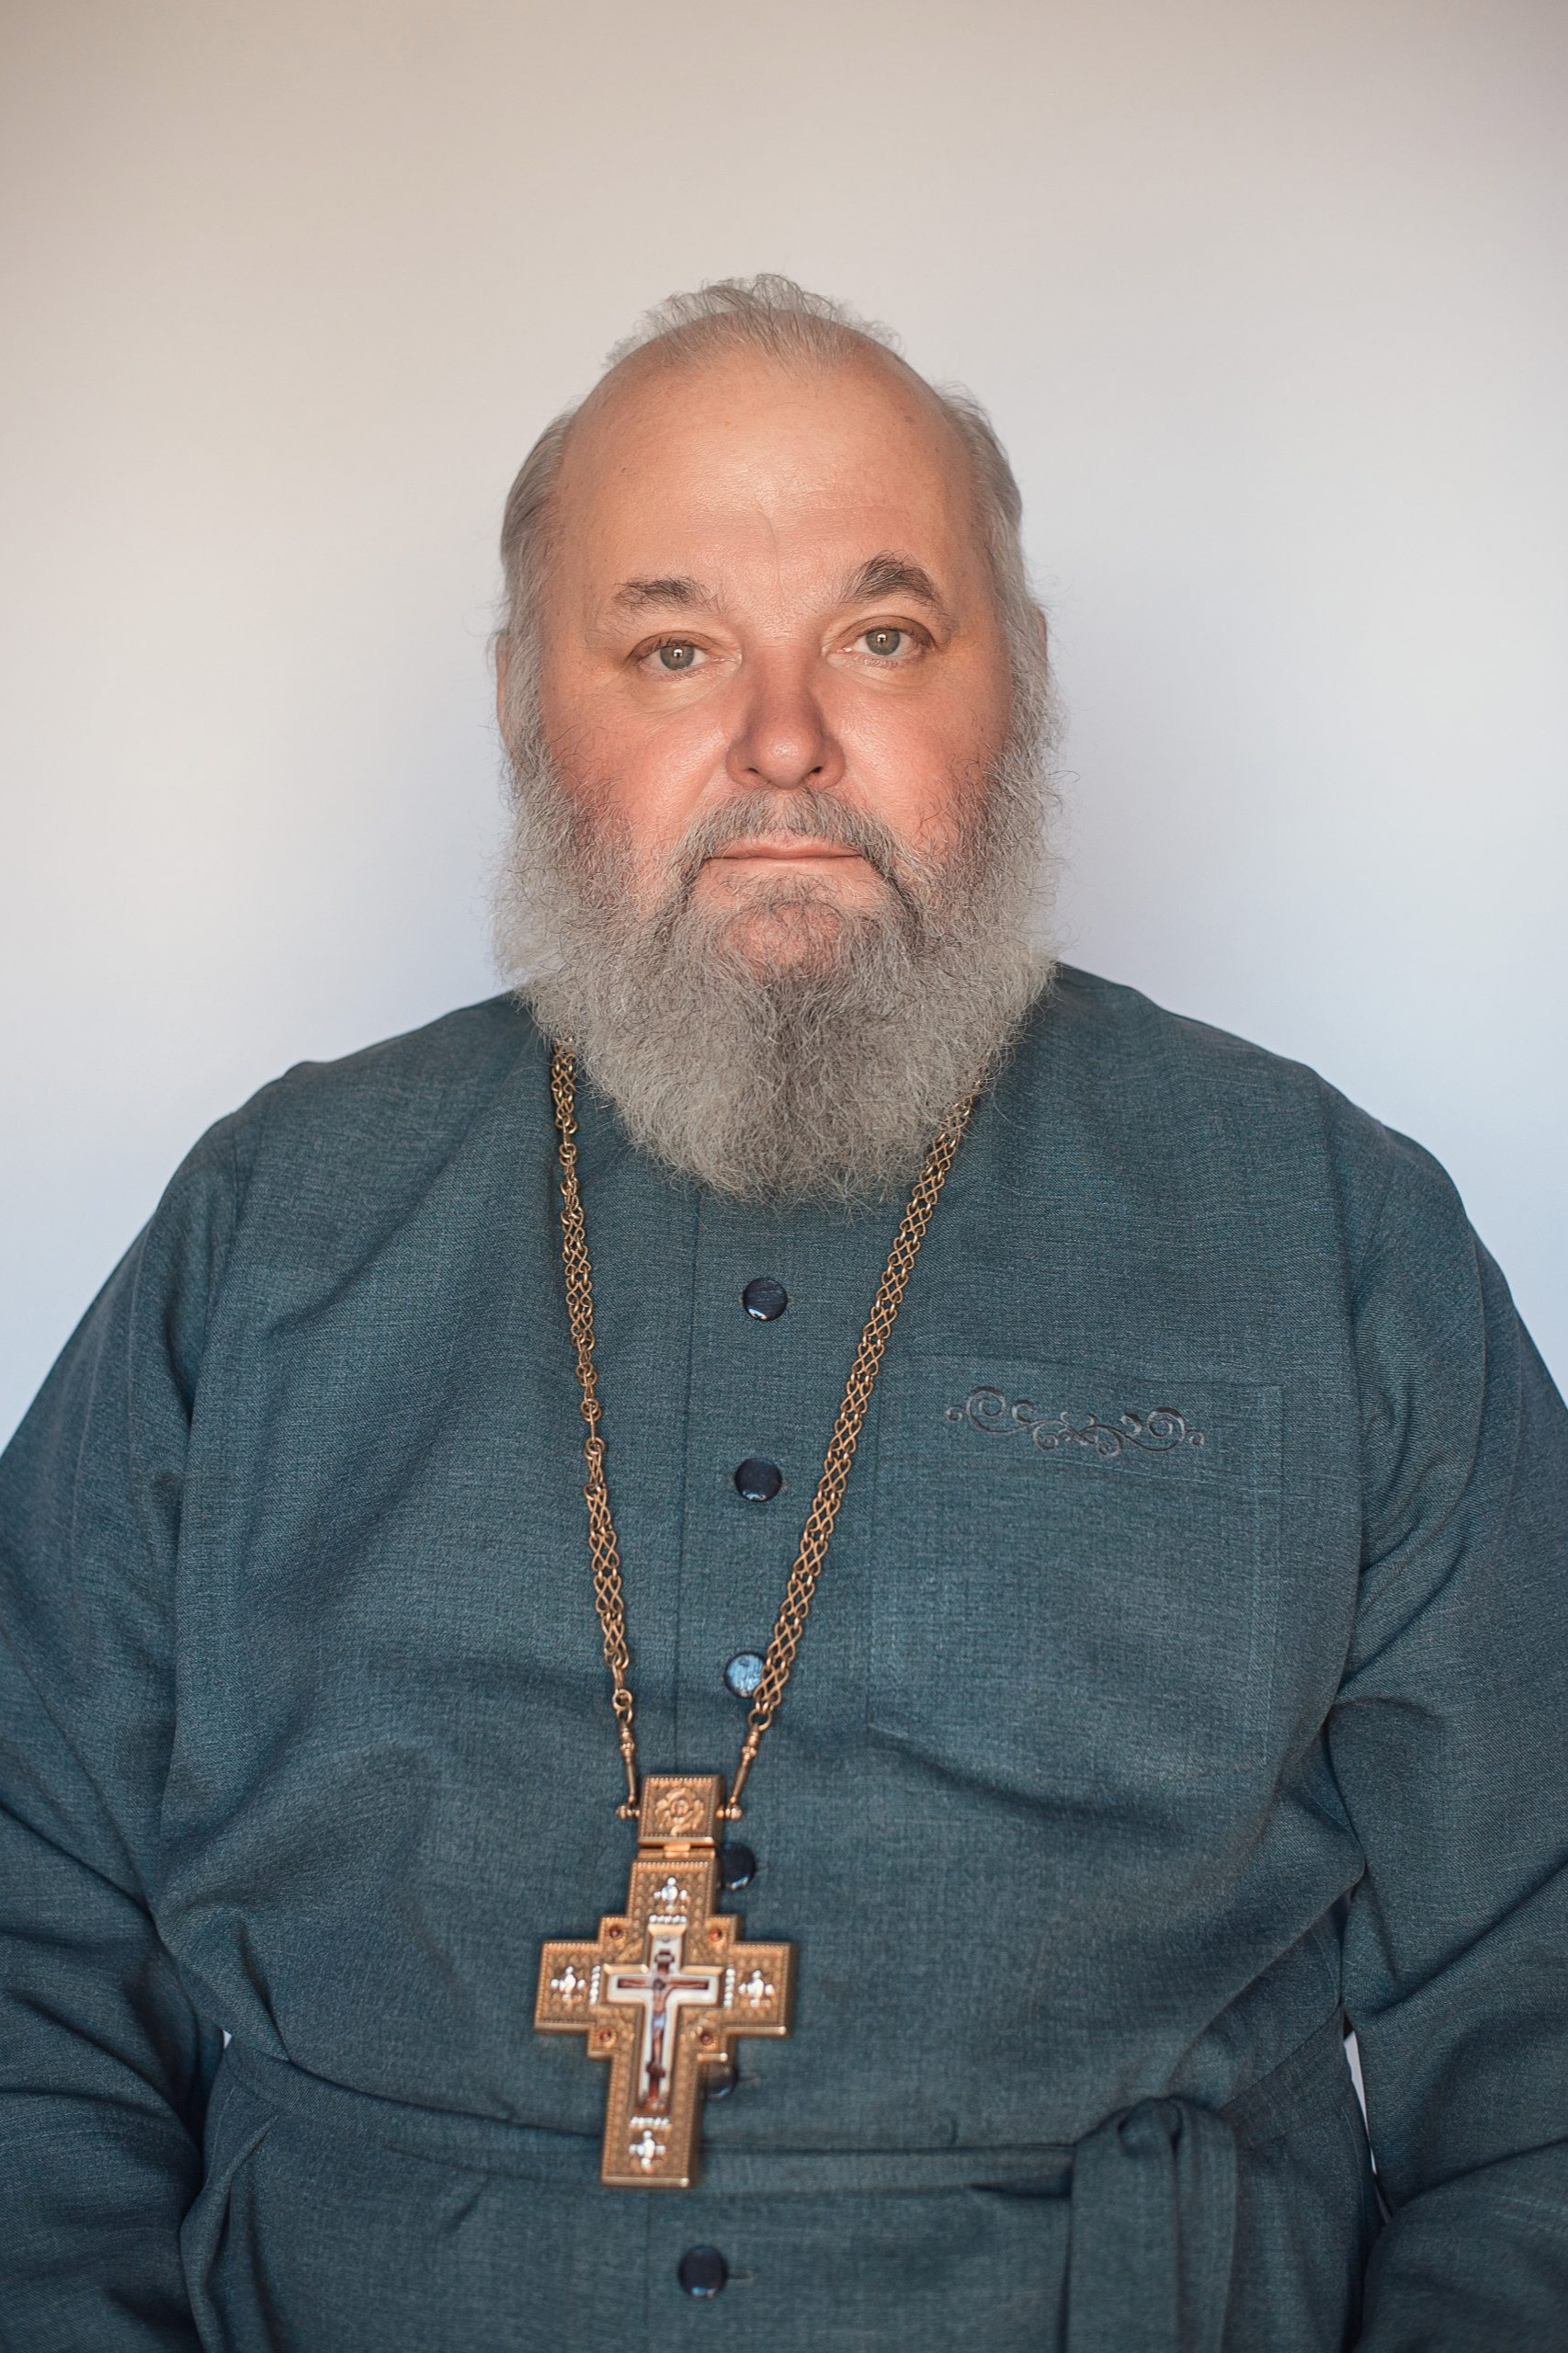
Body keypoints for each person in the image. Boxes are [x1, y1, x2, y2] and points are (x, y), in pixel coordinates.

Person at [2, 273, 1565, 2352]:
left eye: (882, 635)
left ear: (1020, 684)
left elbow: (1541, 2028)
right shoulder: (272, 1222)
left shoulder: (1321, 1221)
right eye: (672, 648)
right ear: (521, 702)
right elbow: (26, 1943)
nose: (782, 743)